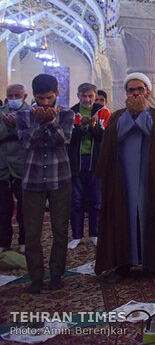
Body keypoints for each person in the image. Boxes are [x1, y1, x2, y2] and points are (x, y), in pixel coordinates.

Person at [94, 72, 155, 280]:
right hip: (123, 181)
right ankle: (123, 262)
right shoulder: (118, 116)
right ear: (126, 94)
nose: (136, 93)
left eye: (140, 89)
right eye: (132, 90)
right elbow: (112, 140)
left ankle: (154, 263)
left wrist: (141, 115)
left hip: (151, 180)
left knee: (150, 216)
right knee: (123, 217)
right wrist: (133, 116)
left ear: (148, 91)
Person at [16, 74, 75, 293]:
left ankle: (57, 275)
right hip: (32, 180)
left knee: (60, 230)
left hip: (60, 178)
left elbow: (63, 139)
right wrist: (41, 127)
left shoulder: (67, 114)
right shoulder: (23, 115)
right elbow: (26, 143)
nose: (44, 103)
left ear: (57, 94)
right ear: (34, 96)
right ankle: (36, 278)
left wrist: (48, 122)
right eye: (40, 99)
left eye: (49, 98)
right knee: (32, 233)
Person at [68, 83, 108, 249]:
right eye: (84, 96)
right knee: (76, 201)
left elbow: (105, 137)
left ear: (95, 95)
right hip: (76, 162)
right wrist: (82, 128)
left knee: (96, 200)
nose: (87, 99)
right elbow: (68, 138)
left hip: (96, 162)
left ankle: (94, 233)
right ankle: (77, 235)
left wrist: (92, 127)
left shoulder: (103, 112)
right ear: (78, 95)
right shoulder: (70, 112)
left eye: (90, 96)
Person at [0, 85, 30, 254]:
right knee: (3, 209)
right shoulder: (1, 112)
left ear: (24, 96)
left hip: (23, 167)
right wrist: (7, 127)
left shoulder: (30, 112)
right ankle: (3, 242)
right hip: (3, 167)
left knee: (24, 209)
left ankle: (24, 241)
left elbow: (30, 137)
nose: (13, 98)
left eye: (16, 95)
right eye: (10, 95)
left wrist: (16, 126)